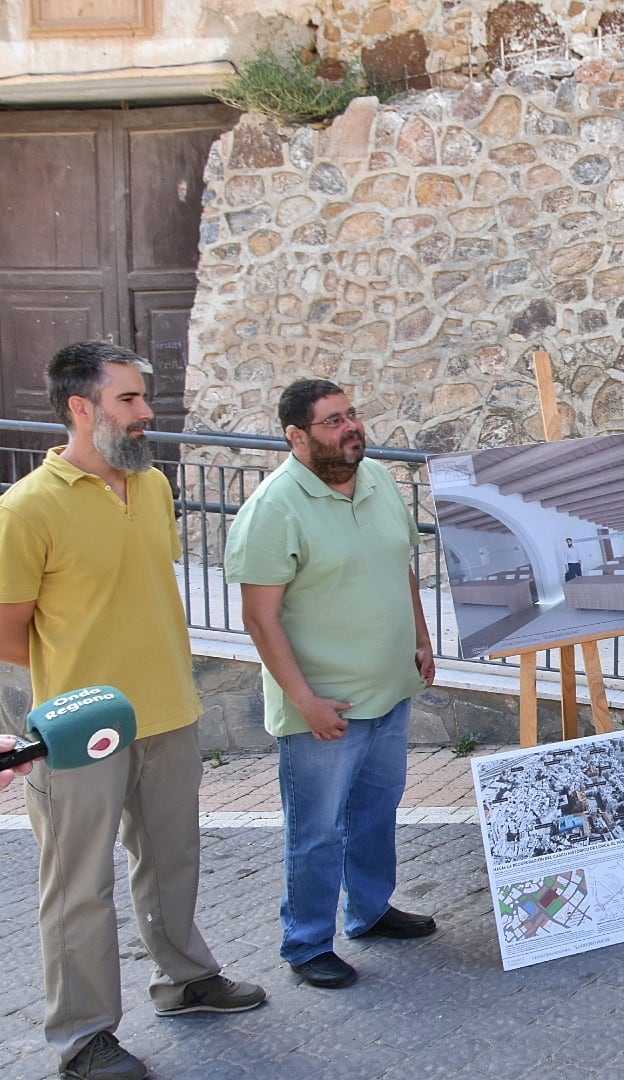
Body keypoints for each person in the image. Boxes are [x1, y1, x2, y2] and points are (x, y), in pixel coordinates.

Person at [0, 342, 265, 1080]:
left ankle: (186, 981)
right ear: (81, 408)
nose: (148, 412)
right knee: (78, 886)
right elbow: (5, 632)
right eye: (128, 400)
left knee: (173, 860)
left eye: (145, 399)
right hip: (79, 731)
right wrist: (81, 682)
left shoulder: (150, 487)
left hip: (170, 712)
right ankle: (83, 1037)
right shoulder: (25, 510)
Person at [226, 379, 438, 992]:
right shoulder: (273, 508)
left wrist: (421, 640)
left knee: (375, 812)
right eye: (332, 421)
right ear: (297, 436)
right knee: (317, 831)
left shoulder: (377, 482)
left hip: (389, 687)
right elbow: (260, 618)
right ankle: (307, 942)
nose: (351, 428)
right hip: (324, 707)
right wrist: (304, 701)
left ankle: (368, 911)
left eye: (352, 415)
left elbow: (399, 565)